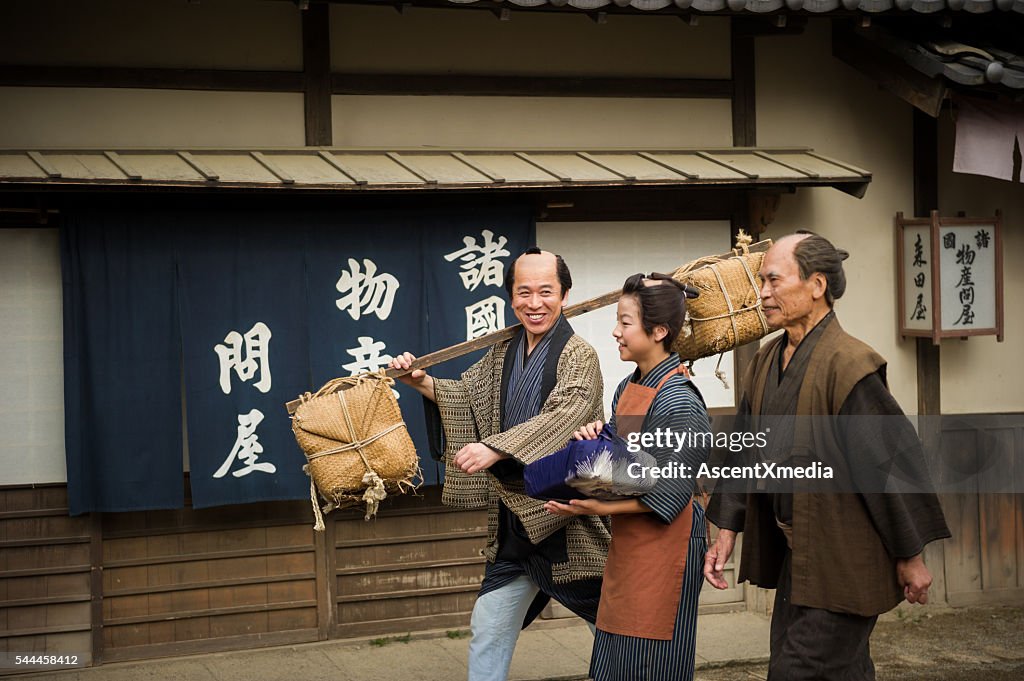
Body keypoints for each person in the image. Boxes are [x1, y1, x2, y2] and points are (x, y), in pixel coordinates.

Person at [703, 232, 951, 680]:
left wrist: (910, 556)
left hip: (845, 556)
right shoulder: (764, 362)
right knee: (836, 670)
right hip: (800, 558)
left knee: (796, 671)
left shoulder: (850, 364)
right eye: (762, 282)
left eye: (774, 281)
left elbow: (888, 465)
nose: (763, 294)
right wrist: (727, 528)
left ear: (817, 286)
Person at [390, 248, 609, 681]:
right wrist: (420, 381)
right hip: (514, 519)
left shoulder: (579, 354)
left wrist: (495, 448)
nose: (534, 302)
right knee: (489, 623)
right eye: (523, 292)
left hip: (566, 518)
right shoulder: (502, 351)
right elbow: (467, 397)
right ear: (511, 298)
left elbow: (565, 415)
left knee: (609, 625)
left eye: (546, 291)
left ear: (565, 294)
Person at [545, 273, 711, 681]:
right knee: (615, 662)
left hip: (666, 545)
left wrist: (595, 505)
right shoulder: (628, 386)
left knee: (651, 664)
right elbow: (628, 467)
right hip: (631, 543)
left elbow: (669, 495)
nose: (615, 332)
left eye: (625, 322)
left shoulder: (680, 401)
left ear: (658, 331)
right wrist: (595, 442)